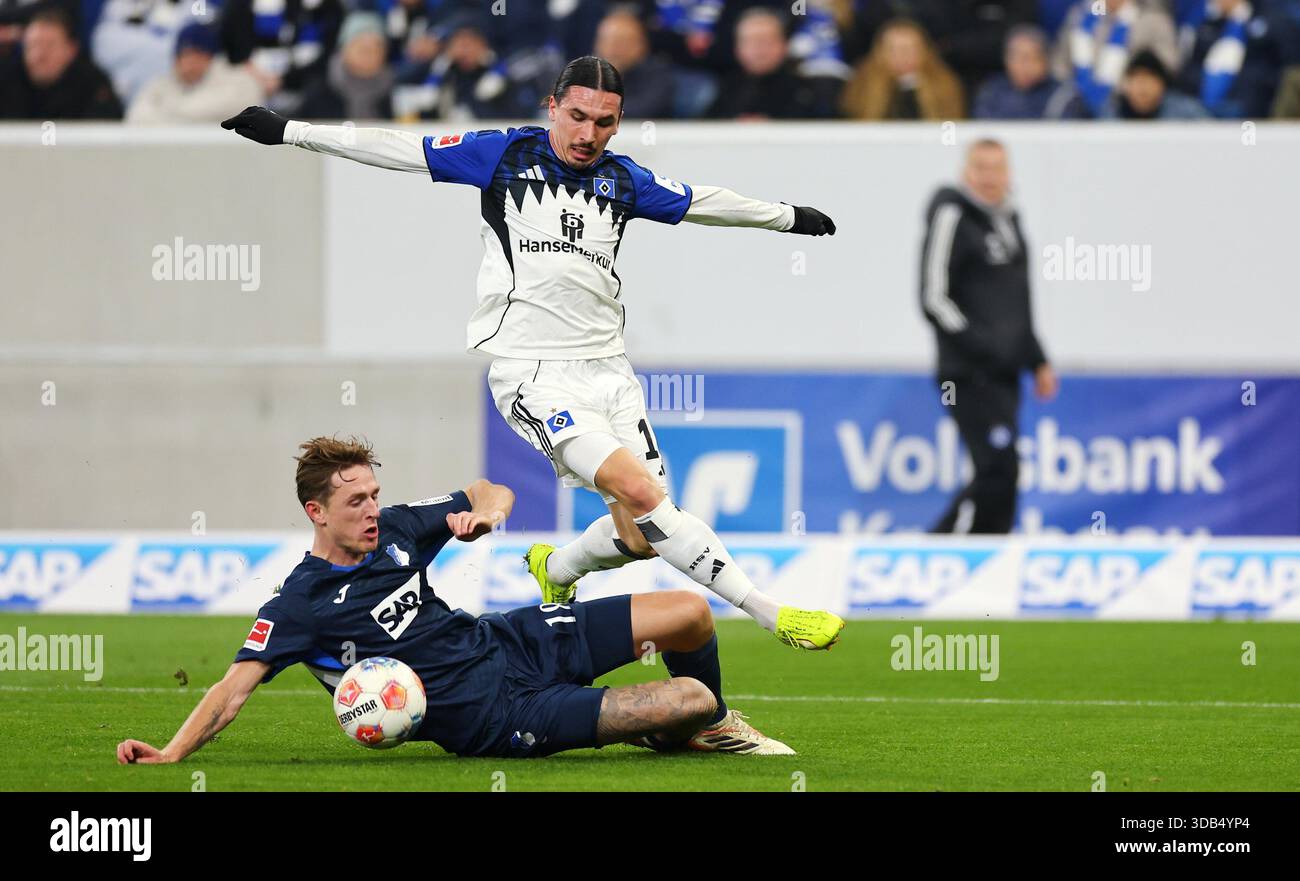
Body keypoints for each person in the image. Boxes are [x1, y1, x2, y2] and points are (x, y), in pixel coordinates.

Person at [221, 55, 844, 651]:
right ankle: (771, 611)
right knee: (650, 498)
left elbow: (703, 201)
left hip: (610, 371)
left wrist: (788, 218)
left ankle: (560, 567)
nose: (588, 133)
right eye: (577, 116)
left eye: (604, 122)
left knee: (642, 533)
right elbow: (398, 151)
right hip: (535, 372)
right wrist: (290, 131)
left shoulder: (622, 180)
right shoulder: (504, 154)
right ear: (553, 107)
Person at [115, 436, 794, 761]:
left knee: (689, 614)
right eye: (357, 501)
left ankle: (704, 727)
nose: (373, 509)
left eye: (375, 494)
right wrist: (173, 752)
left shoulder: (401, 529)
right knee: (689, 695)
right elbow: (232, 688)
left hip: (514, 640)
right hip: (498, 713)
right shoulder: (300, 604)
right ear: (317, 512)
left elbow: (487, 487)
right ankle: (685, 720)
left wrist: (486, 516)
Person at [920, 139, 1057, 535]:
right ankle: (969, 553)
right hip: (967, 372)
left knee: (1000, 467)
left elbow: (1019, 299)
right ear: (966, 172)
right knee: (998, 465)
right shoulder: (951, 215)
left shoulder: (1009, 218)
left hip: (1005, 372)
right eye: (981, 167)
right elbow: (933, 297)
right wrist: (985, 347)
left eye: (997, 168)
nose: (990, 177)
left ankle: (962, 549)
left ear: (1009, 173)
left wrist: (1037, 358)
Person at [707, 7, 842, 120]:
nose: (759, 49)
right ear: (737, 49)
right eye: (751, 41)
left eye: (766, 40)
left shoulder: (806, 93)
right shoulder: (728, 88)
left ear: (784, 45)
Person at [1050, 0, 1178, 116]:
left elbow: (1168, 63)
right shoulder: (1080, 16)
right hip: (1079, 99)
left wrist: (1131, 85)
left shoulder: (1153, 19)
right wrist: (1078, 87)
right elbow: (1060, 62)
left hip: (1131, 103)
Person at [0, 6, 123, 119]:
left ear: (72, 49)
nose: (39, 55)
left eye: (49, 46)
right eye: (32, 46)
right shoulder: (7, 78)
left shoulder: (93, 84)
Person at [126, 23, 264, 124]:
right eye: (183, 56)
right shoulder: (160, 85)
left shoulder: (240, 81)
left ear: (210, 57)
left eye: (196, 55)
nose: (188, 63)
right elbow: (136, 117)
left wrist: (169, 111)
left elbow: (236, 108)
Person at [840, 17, 965, 120]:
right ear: (880, 53)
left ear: (925, 51)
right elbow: (856, 128)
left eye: (910, 49)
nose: (903, 56)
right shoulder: (863, 85)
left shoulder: (944, 85)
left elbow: (950, 132)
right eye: (894, 50)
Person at [972, 24, 1085, 119]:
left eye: (1032, 58)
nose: (1025, 66)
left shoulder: (1064, 95)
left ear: (1045, 61)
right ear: (1006, 60)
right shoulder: (991, 92)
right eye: (1019, 58)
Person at [297, 12, 394, 121]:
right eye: (362, 49)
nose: (369, 56)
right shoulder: (320, 90)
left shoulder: (394, 89)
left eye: (376, 49)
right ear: (344, 50)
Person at [1098, 50, 1210, 119]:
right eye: (1138, 81)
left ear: (1162, 85)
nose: (1143, 88)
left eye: (1149, 80)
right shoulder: (1111, 114)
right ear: (1126, 85)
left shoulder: (1186, 113)